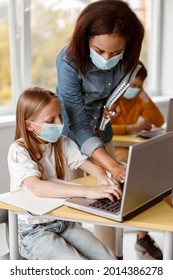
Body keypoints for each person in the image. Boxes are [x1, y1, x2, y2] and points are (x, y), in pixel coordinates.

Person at [56, 0, 144, 251]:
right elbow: (78, 122)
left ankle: (112, 260)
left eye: (116, 53)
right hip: (71, 140)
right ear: (85, 40)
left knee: (111, 203)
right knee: (75, 211)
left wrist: (110, 106)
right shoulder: (68, 62)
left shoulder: (129, 59)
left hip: (103, 132)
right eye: (100, 50)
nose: (107, 58)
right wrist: (112, 165)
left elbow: (110, 95)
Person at [7, 87, 122, 260]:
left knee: (109, 259)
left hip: (63, 222)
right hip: (32, 232)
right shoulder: (18, 150)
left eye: (60, 117)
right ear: (29, 125)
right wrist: (88, 191)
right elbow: (38, 187)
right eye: (50, 120)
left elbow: (89, 165)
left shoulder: (62, 142)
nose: (59, 124)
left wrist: (103, 178)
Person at [109, 61, 164, 260]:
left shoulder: (139, 99)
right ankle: (142, 237)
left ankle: (143, 237)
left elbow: (158, 121)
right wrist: (132, 128)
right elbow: (103, 128)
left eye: (139, 86)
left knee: (158, 176)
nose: (134, 90)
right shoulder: (113, 100)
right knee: (139, 177)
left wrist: (144, 95)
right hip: (115, 152)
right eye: (131, 86)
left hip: (135, 149)